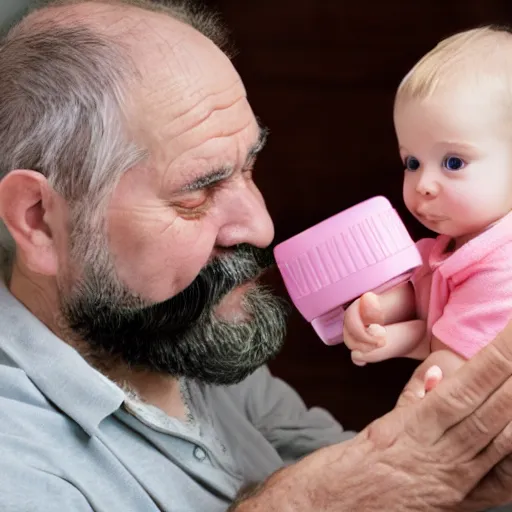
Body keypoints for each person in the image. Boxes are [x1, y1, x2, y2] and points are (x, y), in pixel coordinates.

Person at [1, 2, 512, 510]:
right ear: (40, 220)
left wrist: (458, 478)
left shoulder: (185, 340)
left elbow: (372, 477)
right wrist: (304, 504)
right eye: (197, 192)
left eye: (248, 168)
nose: (262, 228)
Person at [344, 26, 512, 391]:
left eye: (453, 162)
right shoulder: (451, 248)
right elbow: (434, 325)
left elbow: (453, 367)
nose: (423, 184)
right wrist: (378, 322)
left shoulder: (503, 268)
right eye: (413, 162)